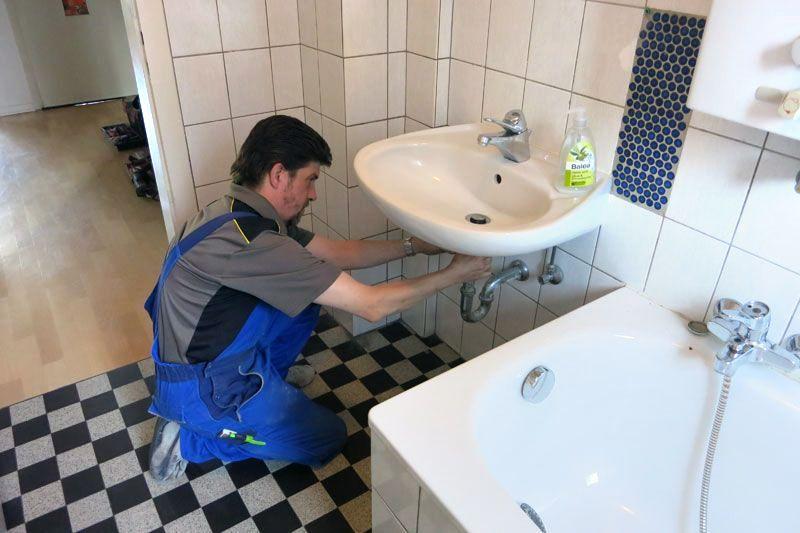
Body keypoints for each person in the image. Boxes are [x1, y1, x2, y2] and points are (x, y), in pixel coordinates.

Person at [145, 115, 490, 481]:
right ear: (279, 175)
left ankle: (267, 381)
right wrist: (454, 274)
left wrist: (414, 246)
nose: (313, 194)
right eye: (310, 179)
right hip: (204, 387)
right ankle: (190, 439)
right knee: (326, 438)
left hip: (208, 354)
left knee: (309, 296)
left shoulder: (239, 213)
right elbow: (372, 305)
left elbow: (340, 253)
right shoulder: (253, 243)